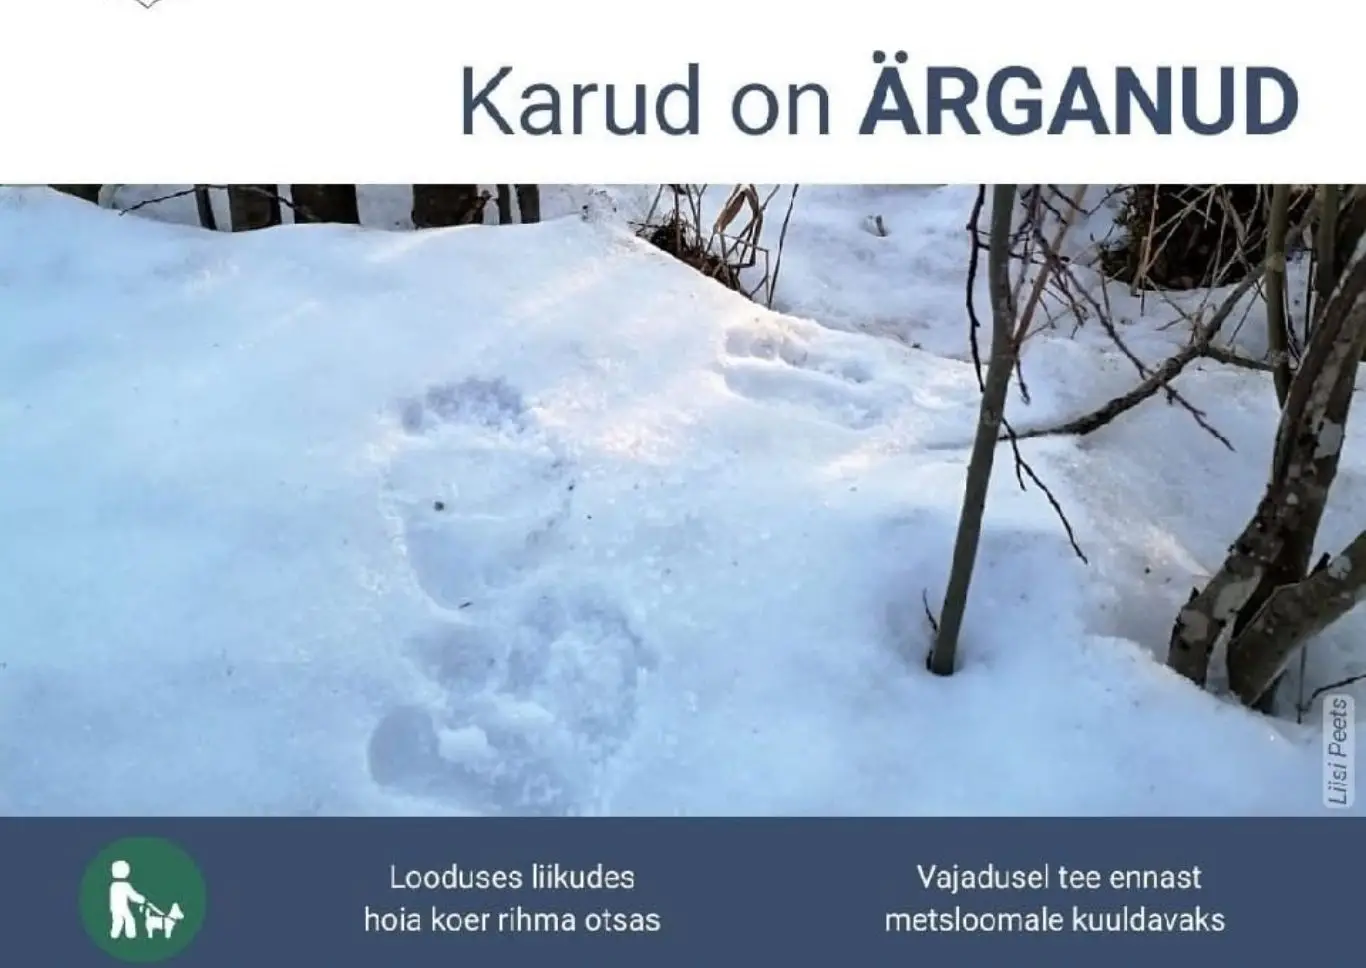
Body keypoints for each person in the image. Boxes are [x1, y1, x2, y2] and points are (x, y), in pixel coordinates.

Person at [109, 860, 147, 939]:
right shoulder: (125, 885)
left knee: (118, 921)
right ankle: (131, 935)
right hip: (123, 908)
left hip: (114, 908)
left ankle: (114, 935)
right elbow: (133, 896)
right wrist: (142, 899)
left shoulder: (113, 885)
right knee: (130, 919)